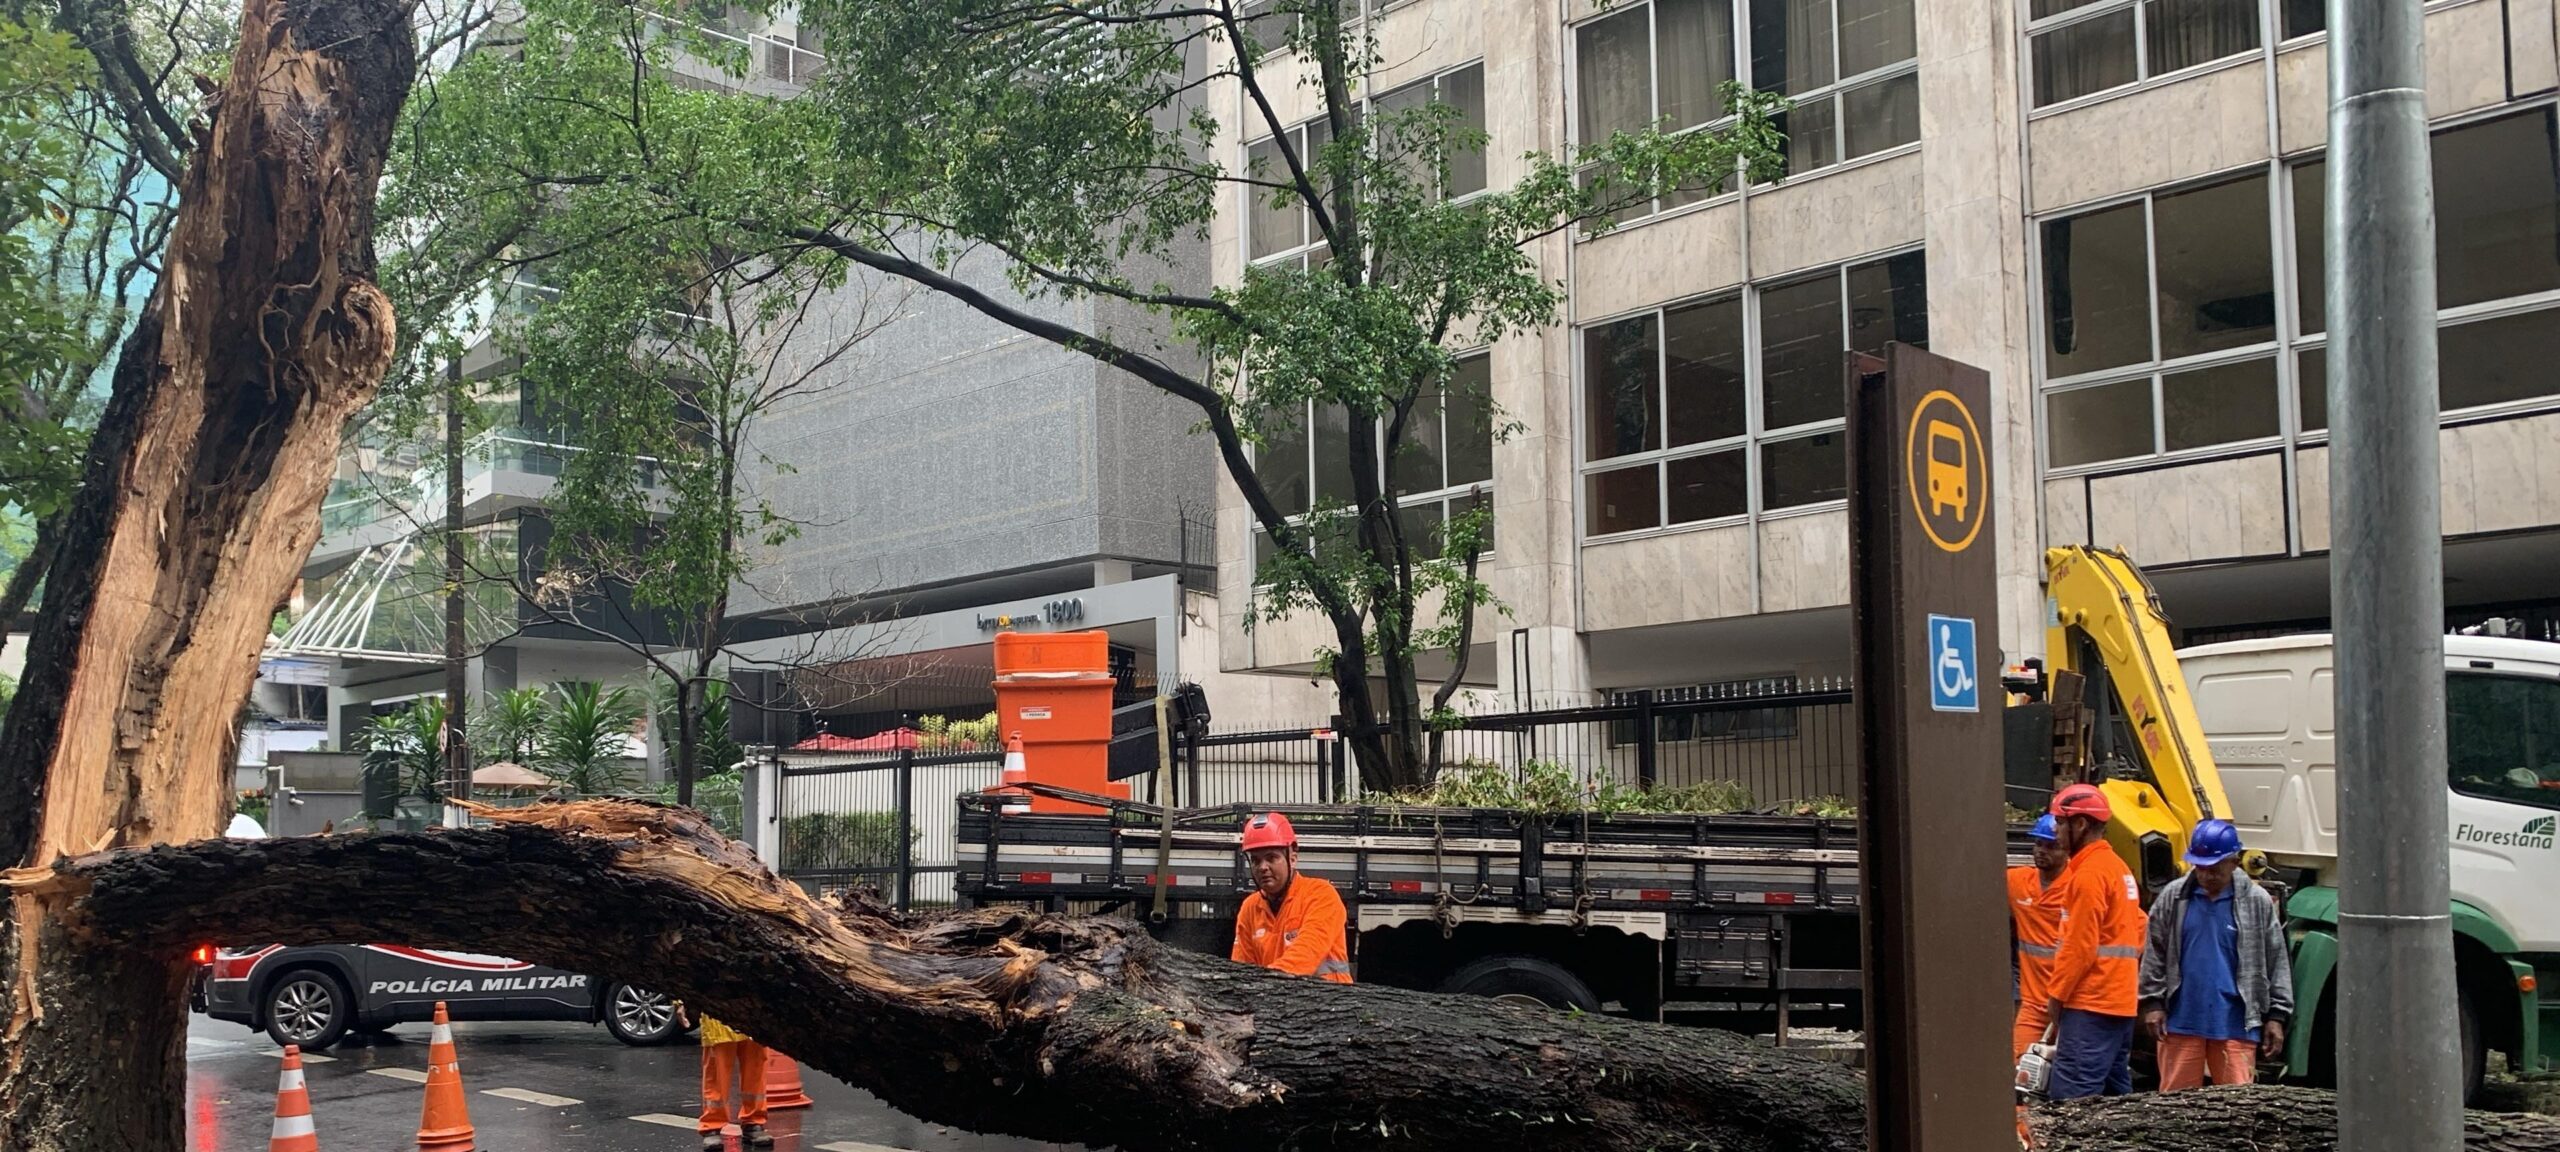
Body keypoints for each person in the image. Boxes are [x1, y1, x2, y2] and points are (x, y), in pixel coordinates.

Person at [2139, 818, 2292, 1091]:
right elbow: (2155, 950)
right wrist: (2152, 1003)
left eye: (2215, 868)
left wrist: (2277, 1017)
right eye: (2201, 868)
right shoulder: (2174, 898)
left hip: (2236, 1022)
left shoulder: (2256, 903)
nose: (2207, 875)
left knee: (2236, 1108)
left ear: (2234, 862)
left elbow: (2276, 960)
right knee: (2175, 1108)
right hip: (2181, 1019)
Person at [2040, 783, 2147, 1100]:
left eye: (2060, 822)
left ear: (2081, 824)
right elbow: (2140, 924)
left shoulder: (2089, 875)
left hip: (2090, 1004)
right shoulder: (2118, 869)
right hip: (2119, 1003)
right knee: (2117, 1099)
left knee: (2073, 1100)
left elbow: (2079, 947)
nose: (2056, 831)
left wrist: (2056, 996)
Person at [1230, 811, 1353, 983]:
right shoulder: (1249, 908)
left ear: (1293, 859)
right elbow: (1241, 971)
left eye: (1271, 858)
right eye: (1256, 860)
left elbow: (1305, 955)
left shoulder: (1321, 895)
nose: (1262, 867)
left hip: (1331, 1004)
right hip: (1278, 1003)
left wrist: (1262, 985)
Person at [2009, 814, 2069, 1062]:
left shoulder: (2078, 885)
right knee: (2021, 1075)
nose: (2042, 851)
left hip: (2071, 1005)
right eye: (2038, 844)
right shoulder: (2018, 882)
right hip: (2033, 1004)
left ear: (2066, 849)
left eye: (2051, 846)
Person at [691, 1011, 772, 1149]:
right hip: (718, 1013)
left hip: (755, 1013)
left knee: (755, 1069)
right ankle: (712, 1125)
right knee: (716, 1072)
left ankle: (753, 1121)